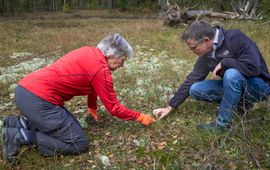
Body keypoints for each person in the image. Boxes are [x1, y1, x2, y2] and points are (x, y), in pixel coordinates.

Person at [1, 33, 156, 162]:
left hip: (24, 91)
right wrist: (140, 117)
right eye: (122, 60)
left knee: (73, 129)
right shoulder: (101, 70)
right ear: (110, 55)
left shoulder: (88, 52)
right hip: (39, 101)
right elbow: (114, 108)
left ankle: (17, 122)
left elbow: (93, 86)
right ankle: (18, 136)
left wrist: (92, 108)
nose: (122, 65)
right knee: (78, 143)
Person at [153, 20, 270, 132]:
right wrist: (170, 106)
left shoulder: (235, 37)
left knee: (231, 74)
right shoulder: (206, 55)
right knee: (195, 89)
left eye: (194, 48)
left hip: (260, 86)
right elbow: (191, 80)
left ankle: (221, 125)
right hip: (239, 87)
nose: (192, 51)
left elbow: (253, 68)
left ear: (206, 40)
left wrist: (225, 62)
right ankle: (242, 104)